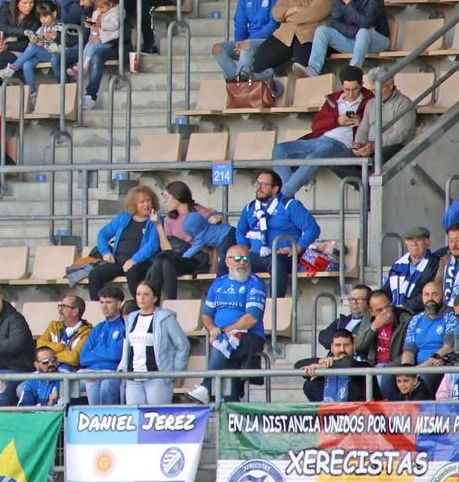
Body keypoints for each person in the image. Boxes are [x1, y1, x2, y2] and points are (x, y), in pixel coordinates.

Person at [271, 66, 371, 198]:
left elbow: (379, 127)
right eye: (347, 90)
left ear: (362, 84)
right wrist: (337, 120)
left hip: (340, 145)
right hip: (319, 140)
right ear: (342, 86)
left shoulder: (371, 100)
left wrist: (361, 123)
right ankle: (286, 199)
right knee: (279, 150)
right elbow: (316, 126)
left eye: (355, 89)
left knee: (312, 159)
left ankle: (281, 198)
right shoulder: (333, 99)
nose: (351, 94)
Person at [190, 244, 267, 403]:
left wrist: (224, 332)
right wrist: (212, 329)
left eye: (246, 259)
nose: (242, 262)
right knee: (227, 367)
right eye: (237, 258)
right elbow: (206, 315)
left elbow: (251, 318)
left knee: (227, 339)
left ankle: (205, 386)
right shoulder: (218, 284)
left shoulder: (255, 283)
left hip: (250, 337)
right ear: (227, 262)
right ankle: (233, 413)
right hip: (224, 338)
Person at [231, 170, 320, 296]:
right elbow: (240, 231)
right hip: (256, 256)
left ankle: (276, 308)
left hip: (281, 257)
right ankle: (228, 305)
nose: (258, 187)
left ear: (275, 189)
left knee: (276, 261)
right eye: (257, 184)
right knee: (227, 262)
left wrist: (297, 248)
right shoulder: (249, 207)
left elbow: (312, 228)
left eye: (263, 184)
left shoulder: (289, 205)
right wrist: (243, 247)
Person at [250, 0, 333, 79]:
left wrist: (289, 16)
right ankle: (268, 92)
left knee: (302, 66)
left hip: (308, 35)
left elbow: (314, 13)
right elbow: (275, 12)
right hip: (285, 34)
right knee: (261, 59)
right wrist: (296, 8)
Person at [303, 0, 390, 77]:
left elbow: (365, 22)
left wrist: (349, 3)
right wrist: (356, 31)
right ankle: (313, 69)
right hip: (352, 39)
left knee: (363, 33)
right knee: (322, 30)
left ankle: (353, 72)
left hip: (378, 39)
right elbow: (334, 21)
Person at [85, 185, 165, 297]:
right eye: (142, 202)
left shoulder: (156, 220)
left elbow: (153, 245)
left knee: (132, 272)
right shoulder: (123, 218)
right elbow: (103, 234)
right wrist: (105, 252)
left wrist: (134, 260)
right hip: (118, 262)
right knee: (95, 274)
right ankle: (100, 309)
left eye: (148, 201)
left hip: (141, 263)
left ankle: (140, 308)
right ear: (133, 204)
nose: (146, 204)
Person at [121, 281, 189, 404]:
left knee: (157, 417)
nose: (141, 297)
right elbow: (127, 346)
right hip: (132, 378)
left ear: (155, 298)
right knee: (136, 419)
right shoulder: (130, 318)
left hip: (157, 378)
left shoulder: (165, 318)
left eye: (146, 294)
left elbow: (183, 345)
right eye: (138, 294)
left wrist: (173, 372)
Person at [214, 0, 281, 79]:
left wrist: (247, 41)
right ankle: (244, 82)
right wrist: (239, 42)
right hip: (247, 42)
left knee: (246, 46)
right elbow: (240, 23)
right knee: (218, 49)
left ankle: (241, 86)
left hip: (269, 40)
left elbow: (274, 24)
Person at [401, 280, 459, 386]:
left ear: (443, 298)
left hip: (440, 364)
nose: (430, 298)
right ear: (422, 298)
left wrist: (420, 369)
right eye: (427, 295)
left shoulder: (451, 316)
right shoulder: (416, 320)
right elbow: (409, 351)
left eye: (435, 294)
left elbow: (448, 348)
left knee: (425, 376)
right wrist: (406, 371)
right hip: (418, 367)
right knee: (389, 376)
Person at [299, 328, 376, 401]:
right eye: (338, 345)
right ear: (331, 347)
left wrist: (323, 366)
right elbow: (298, 366)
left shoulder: (363, 365)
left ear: (353, 346)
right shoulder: (328, 363)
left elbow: (349, 364)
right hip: (332, 412)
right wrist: (323, 361)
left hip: (362, 413)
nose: (342, 349)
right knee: (310, 385)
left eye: (346, 345)